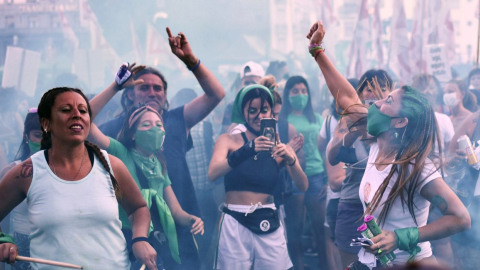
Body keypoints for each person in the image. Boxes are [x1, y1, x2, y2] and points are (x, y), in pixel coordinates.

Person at [307, 21, 470, 268]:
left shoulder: (416, 167)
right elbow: (348, 97)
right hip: (372, 262)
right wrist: (317, 50)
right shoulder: (376, 142)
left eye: (387, 101)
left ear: (400, 121)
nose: (376, 103)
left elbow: (460, 218)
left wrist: (401, 237)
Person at [97, 28, 225, 269]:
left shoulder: (177, 120)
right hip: (132, 229)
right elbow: (86, 126)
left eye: (159, 88)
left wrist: (191, 61)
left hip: (178, 223)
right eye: (144, 87)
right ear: (130, 93)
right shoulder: (114, 129)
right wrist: (115, 85)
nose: (152, 92)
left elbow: (216, 94)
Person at [0, 87, 157, 270]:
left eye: (83, 110)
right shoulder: (28, 172)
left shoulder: (111, 165)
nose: (77, 115)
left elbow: (138, 208)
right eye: (66, 110)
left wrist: (140, 239)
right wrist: (3, 240)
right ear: (46, 123)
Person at [89, 65, 204, 269]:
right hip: (124, 241)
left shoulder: (159, 165)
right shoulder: (120, 152)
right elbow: (86, 121)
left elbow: (176, 211)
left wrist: (192, 219)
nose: (155, 130)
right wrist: (115, 87)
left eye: (159, 126)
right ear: (133, 133)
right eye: (146, 125)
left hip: (155, 241)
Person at [209, 84, 308, 269]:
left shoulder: (278, 147)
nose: (259, 116)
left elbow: (303, 185)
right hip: (235, 222)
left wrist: (290, 158)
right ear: (243, 112)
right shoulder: (228, 140)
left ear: (271, 111)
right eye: (252, 110)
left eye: (264, 110)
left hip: (268, 219)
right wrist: (247, 149)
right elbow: (213, 173)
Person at [326, 71, 391, 269]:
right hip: (353, 205)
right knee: (352, 265)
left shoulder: (396, 120)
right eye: (368, 88)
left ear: (390, 93)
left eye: (381, 88)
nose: (373, 93)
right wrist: (352, 133)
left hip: (386, 207)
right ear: (359, 94)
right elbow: (332, 154)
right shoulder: (349, 118)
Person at [279, 75, 328, 269]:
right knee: (295, 227)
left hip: (316, 175)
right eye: (295, 91)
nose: (300, 95)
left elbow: (323, 149)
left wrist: (326, 178)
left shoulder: (315, 117)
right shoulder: (283, 121)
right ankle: (298, 265)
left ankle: (325, 264)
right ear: (288, 95)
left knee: (320, 227)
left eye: (303, 91)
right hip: (293, 177)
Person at [0, 109, 42, 270]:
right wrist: (4, 240)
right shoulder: (13, 172)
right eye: (37, 135)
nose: (43, 141)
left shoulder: (62, 172)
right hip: (23, 245)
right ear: (26, 137)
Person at [222, 61, 265, 133]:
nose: (250, 86)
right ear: (241, 84)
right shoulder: (232, 107)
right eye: (246, 83)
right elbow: (229, 135)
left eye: (254, 82)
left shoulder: (268, 104)